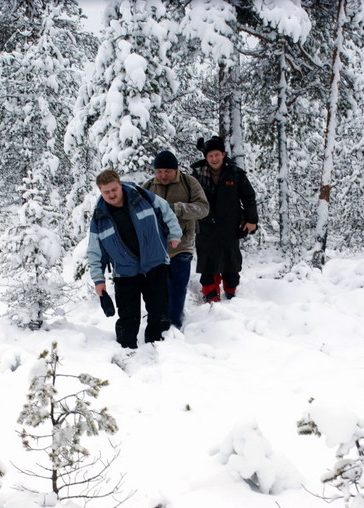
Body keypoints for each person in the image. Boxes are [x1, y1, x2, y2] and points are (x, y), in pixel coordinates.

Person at [87, 169, 182, 349]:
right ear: (100, 192)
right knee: (128, 317)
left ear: (120, 185)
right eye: (106, 192)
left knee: (159, 311)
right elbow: (94, 251)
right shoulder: (99, 218)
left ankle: (158, 348)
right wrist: (98, 280)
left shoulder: (142, 198)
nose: (111, 194)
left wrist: (174, 234)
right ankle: (126, 350)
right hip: (125, 272)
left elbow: (167, 212)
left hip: (155, 264)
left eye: (114, 189)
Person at [142, 150, 209, 329]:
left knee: (177, 288)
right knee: (158, 290)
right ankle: (160, 323)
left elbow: (203, 208)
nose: (163, 175)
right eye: (159, 172)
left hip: (182, 245)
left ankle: (174, 326)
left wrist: (177, 209)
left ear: (176, 170)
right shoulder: (148, 186)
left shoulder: (189, 183)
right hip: (156, 248)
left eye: (167, 171)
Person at [191, 135, 258, 302]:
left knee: (231, 264)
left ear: (223, 154)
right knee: (208, 265)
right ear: (206, 157)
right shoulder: (196, 176)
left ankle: (231, 293)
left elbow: (249, 197)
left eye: (217, 154)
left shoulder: (235, 174)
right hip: (205, 228)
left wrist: (251, 220)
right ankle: (211, 298)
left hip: (230, 227)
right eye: (210, 155)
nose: (214, 159)